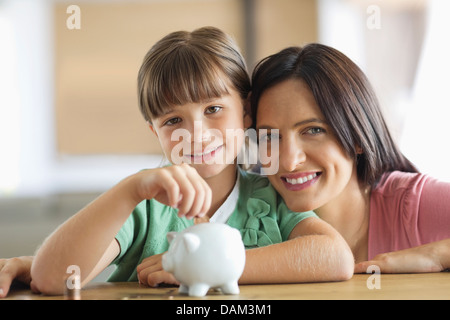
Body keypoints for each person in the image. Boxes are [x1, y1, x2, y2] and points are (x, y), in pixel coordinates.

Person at [0, 28, 353, 297]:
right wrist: (129, 190)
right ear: (155, 133)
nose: (197, 133)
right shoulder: (144, 204)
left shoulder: (269, 196)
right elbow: (53, 279)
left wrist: (203, 268)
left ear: (245, 113)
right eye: (173, 121)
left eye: (213, 109)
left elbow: (336, 258)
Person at [251, 43, 450, 274]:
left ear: (357, 136)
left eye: (313, 130)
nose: (288, 161)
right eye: (269, 136)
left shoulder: (413, 205)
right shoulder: (254, 219)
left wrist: (438, 254)